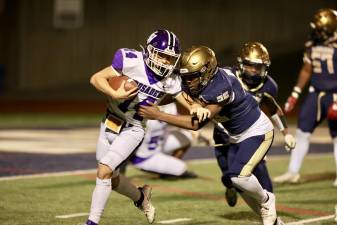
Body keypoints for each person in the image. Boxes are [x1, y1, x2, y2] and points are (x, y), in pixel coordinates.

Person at [138, 46, 284, 225]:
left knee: (239, 177)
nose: (188, 81)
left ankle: (267, 199)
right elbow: (175, 92)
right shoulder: (198, 78)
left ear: (207, 72)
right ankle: (275, 221)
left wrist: (158, 114)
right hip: (235, 135)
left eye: (192, 77)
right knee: (240, 184)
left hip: (257, 131)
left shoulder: (221, 87)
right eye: (186, 76)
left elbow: (195, 124)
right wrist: (152, 100)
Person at [85, 30, 209, 225]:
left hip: (133, 128)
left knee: (104, 171)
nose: (165, 62)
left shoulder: (171, 80)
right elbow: (96, 78)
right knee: (113, 180)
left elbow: (188, 102)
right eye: (161, 55)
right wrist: (114, 93)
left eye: (170, 59)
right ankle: (141, 198)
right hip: (109, 121)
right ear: (149, 51)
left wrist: (195, 106)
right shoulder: (130, 59)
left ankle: (91, 222)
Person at [214, 42, 296, 207]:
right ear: (241, 64)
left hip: (248, 132)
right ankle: (230, 186)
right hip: (223, 132)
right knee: (229, 177)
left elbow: (273, 108)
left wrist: (286, 132)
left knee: (258, 171)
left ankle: (268, 206)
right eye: (250, 66)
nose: (253, 71)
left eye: (258, 67)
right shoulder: (227, 77)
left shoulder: (268, 86)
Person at [273, 9, 337, 186]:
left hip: (334, 94)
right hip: (315, 94)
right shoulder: (312, 43)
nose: (316, 32)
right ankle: (293, 172)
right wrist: (295, 94)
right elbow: (307, 69)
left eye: (319, 29)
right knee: (302, 132)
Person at [129, 102, 198, 179]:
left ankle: (168, 165)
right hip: (144, 157)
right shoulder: (144, 112)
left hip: (159, 143)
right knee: (181, 168)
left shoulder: (169, 106)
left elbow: (181, 115)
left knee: (187, 137)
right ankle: (167, 171)